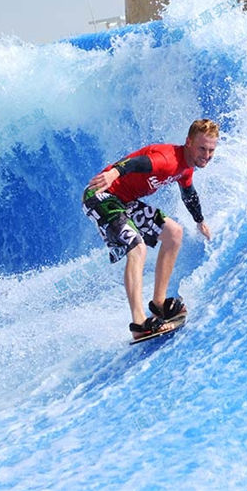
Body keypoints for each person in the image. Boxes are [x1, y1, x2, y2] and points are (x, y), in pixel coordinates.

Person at [82, 119, 218, 340]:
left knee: (174, 233)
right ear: (189, 143)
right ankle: (139, 323)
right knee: (137, 247)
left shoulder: (186, 168)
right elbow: (138, 163)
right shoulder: (167, 159)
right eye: (202, 148)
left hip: (126, 201)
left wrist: (200, 221)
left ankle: (159, 303)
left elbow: (189, 193)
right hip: (101, 196)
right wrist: (114, 173)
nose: (207, 154)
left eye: (211, 149)